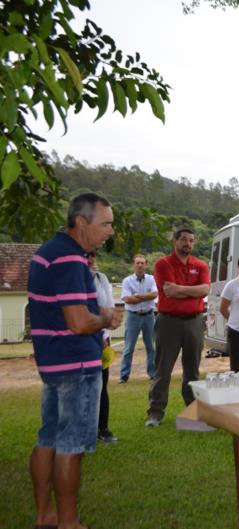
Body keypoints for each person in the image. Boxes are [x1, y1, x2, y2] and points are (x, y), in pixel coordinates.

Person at [27, 193, 123, 529]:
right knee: (70, 445)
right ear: (81, 222)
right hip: (75, 364)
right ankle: (68, 523)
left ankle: (45, 516)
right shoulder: (69, 259)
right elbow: (80, 322)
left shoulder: (49, 251)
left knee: (48, 438)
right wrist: (107, 317)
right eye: (106, 223)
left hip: (52, 363)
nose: (110, 230)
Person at [145, 228, 210, 427]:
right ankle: (155, 413)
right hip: (168, 321)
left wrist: (180, 289)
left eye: (191, 240)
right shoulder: (163, 263)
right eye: (183, 239)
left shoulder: (201, 265)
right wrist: (193, 291)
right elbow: (168, 292)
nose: (187, 244)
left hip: (194, 321)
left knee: (192, 369)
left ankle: (192, 409)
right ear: (175, 241)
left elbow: (205, 289)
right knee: (163, 369)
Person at [87, 251, 118, 443]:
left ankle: (102, 428)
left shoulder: (101, 278)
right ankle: (84, 430)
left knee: (101, 385)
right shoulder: (72, 276)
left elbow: (109, 308)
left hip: (101, 338)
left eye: (93, 256)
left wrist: (104, 334)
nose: (91, 260)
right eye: (86, 256)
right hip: (82, 338)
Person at [119, 254, 157, 383]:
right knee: (129, 347)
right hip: (133, 317)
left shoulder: (151, 279)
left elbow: (154, 294)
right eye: (137, 263)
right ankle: (124, 376)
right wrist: (145, 296)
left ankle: (152, 374)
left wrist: (137, 296)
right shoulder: (127, 281)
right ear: (133, 265)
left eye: (142, 263)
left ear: (146, 264)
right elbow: (127, 300)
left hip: (149, 316)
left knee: (151, 347)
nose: (140, 265)